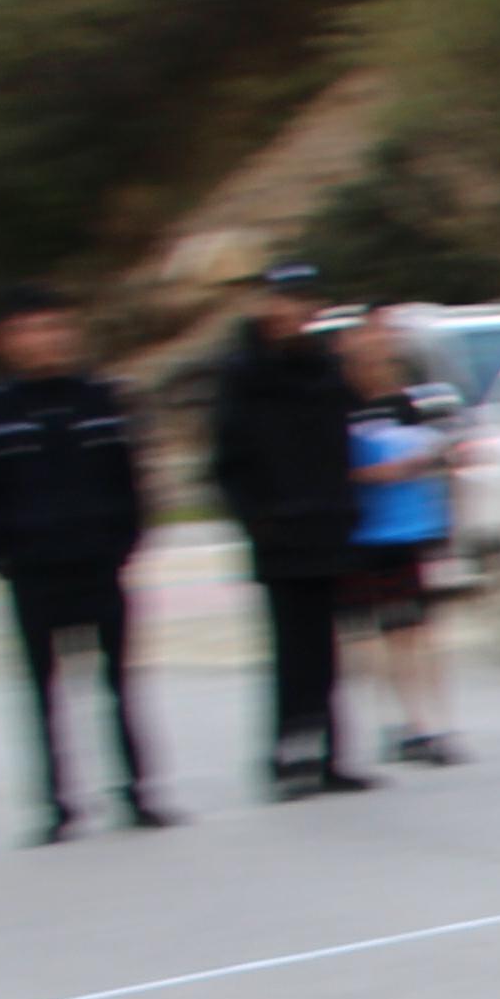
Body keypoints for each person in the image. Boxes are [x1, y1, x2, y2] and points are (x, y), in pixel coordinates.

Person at [0, 286, 163, 843]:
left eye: (55, 327)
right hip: (33, 574)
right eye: (30, 330)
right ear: (7, 341)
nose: (46, 340)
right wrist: (5, 558)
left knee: (120, 686)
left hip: (99, 566)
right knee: (42, 695)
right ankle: (56, 805)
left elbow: (131, 478)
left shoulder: (100, 400)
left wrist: (123, 544)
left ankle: (137, 792)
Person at [207, 261, 369, 798]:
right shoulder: (244, 372)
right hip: (278, 531)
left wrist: (346, 508)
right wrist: (257, 519)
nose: (296, 313)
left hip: (328, 525)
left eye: (305, 302)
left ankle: (329, 754)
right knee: (290, 649)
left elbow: (347, 438)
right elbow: (227, 461)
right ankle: (286, 755)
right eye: (285, 301)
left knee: (327, 650)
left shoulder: (325, 368)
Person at [336, 321, 464, 770]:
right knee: (369, 638)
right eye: (366, 356)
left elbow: (445, 454)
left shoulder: (409, 403)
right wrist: (379, 475)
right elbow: (328, 470)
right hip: (360, 533)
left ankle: (429, 723)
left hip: (411, 531)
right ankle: (392, 721)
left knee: (415, 631)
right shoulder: (339, 407)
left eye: (383, 355)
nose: (377, 363)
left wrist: (440, 463)